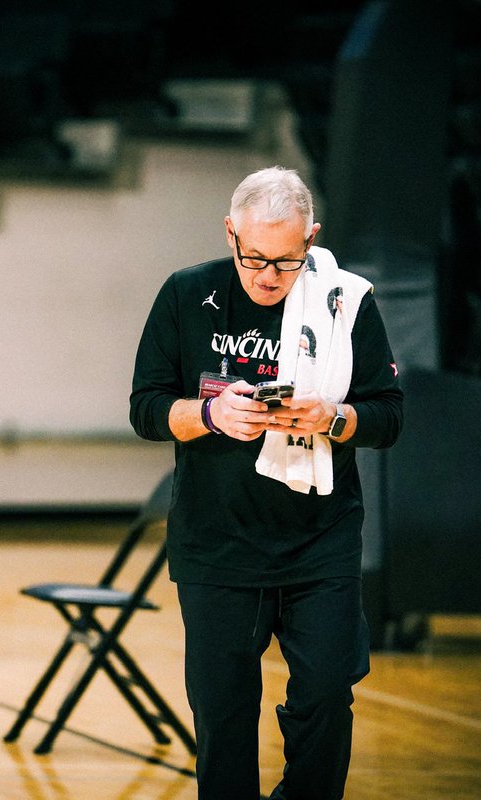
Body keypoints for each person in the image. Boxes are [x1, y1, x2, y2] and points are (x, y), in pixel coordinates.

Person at [129, 166, 403, 800]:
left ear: (312, 238)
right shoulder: (186, 293)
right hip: (218, 543)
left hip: (319, 540)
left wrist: (333, 417)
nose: (268, 277)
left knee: (327, 700)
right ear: (231, 233)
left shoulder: (347, 300)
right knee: (223, 721)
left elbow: (388, 416)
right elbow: (146, 408)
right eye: (254, 258)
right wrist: (209, 415)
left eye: (286, 261)